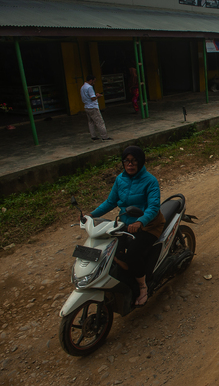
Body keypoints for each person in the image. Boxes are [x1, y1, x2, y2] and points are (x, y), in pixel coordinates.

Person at [89, 146, 165, 306]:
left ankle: (143, 287)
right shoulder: (120, 180)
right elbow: (111, 202)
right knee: (108, 250)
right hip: (125, 224)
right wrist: (91, 215)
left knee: (132, 254)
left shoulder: (150, 181)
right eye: (127, 161)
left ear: (141, 162)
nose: (130, 165)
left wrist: (140, 221)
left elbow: (153, 207)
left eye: (134, 161)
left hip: (149, 225)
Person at [80, 75, 112, 141]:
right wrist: (98, 96)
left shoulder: (82, 87)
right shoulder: (89, 87)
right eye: (94, 81)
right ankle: (104, 137)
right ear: (91, 80)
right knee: (99, 122)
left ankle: (93, 136)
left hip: (86, 106)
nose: (94, 83)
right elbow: (93, 98)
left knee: (91, 122)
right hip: (93, 107)